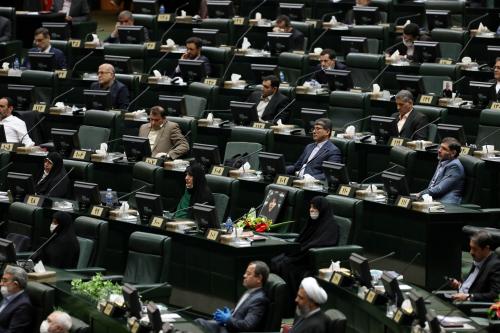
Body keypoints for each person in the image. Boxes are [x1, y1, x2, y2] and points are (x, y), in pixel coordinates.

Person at [272, 196, 339, 300]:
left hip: (311, 260)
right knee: (277, 260)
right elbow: (301, 239)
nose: (311, 209)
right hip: (302, 255)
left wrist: (300, 252)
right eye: (311, 207)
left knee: (285, 265)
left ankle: (289, 304)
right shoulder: (312, 222)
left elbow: (322, 244)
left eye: (315, 207)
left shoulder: (331, 226)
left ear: (322, 209)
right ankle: (276, 299)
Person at [195, 261, 269, 333]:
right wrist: (231, 313)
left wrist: (227, 319)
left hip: (230, 330)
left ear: (259, 278)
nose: (244, 275)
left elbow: (247, 325)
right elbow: (242, 314)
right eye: (246, 272)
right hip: (228, 327)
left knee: (198, 325)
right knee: (198, 322)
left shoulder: (260, 300)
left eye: (248, 274)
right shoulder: (250, 291)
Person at [448, 230, 500, 302]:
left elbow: (496, 295)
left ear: (486, 249)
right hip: (459, 300)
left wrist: (469, 297)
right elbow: (474, 287)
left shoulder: (495, 266)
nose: (471, 252)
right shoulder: (478, 259)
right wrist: (459, 286)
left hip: (470, 308)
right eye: (471, 248)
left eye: (475, 249)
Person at [417, 137, 465, 204]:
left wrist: (420, 194)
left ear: (453, 153)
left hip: (446, 203)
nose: (439, 150)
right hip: (434, 199)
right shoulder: (443, 160)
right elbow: (433, 184)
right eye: (440, 147)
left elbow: (439, 189)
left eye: (444, 149)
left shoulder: (455, 166)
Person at [0, 265, 34, 333]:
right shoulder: (7, 295)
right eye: (1, 280)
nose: (1, 283)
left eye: (5, 281)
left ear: (15, 284)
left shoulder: (23, 306)